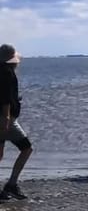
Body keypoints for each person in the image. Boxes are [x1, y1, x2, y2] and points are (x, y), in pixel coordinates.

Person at [0, 45, 32, 201]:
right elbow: (4, 97)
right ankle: (11, 184)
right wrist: (6, 118)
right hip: (6, 119)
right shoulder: (7, 73)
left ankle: (7, 189)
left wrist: (15, 100)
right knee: (26, 148)